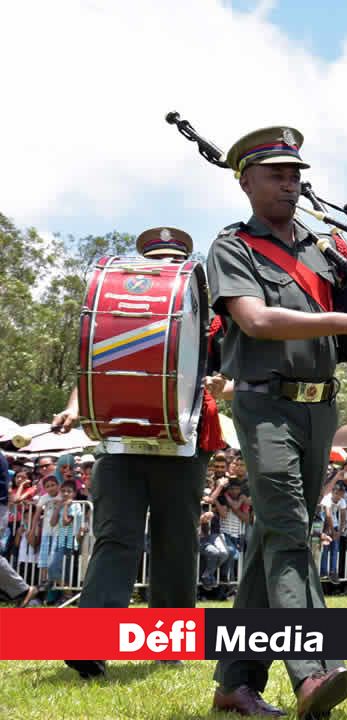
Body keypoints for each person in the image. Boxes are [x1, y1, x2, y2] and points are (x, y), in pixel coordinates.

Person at [205, 126, 347, 718]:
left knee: (274, 538)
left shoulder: (320, 249)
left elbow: (342, 336)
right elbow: (255, 320)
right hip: (265, 404)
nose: (289, 183)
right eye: (275, 174)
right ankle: (312, 672)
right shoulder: (232, 247)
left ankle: (235, 682)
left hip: (320, 405)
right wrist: (344, 324)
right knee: (293, 530)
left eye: (295, 174)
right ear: (246, 181)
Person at [50, 227, 229, 680]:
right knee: (116, 538)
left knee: (177, 543)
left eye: (174, 261)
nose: (166, 267)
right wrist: (74, 408)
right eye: (159, 261)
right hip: (120, 440)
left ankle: (170, 643)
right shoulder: (115, 314)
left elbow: (230, 376)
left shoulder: (211, 320)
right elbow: (94, 367)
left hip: (184, 442)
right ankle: (91, 642)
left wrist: (218, 386)